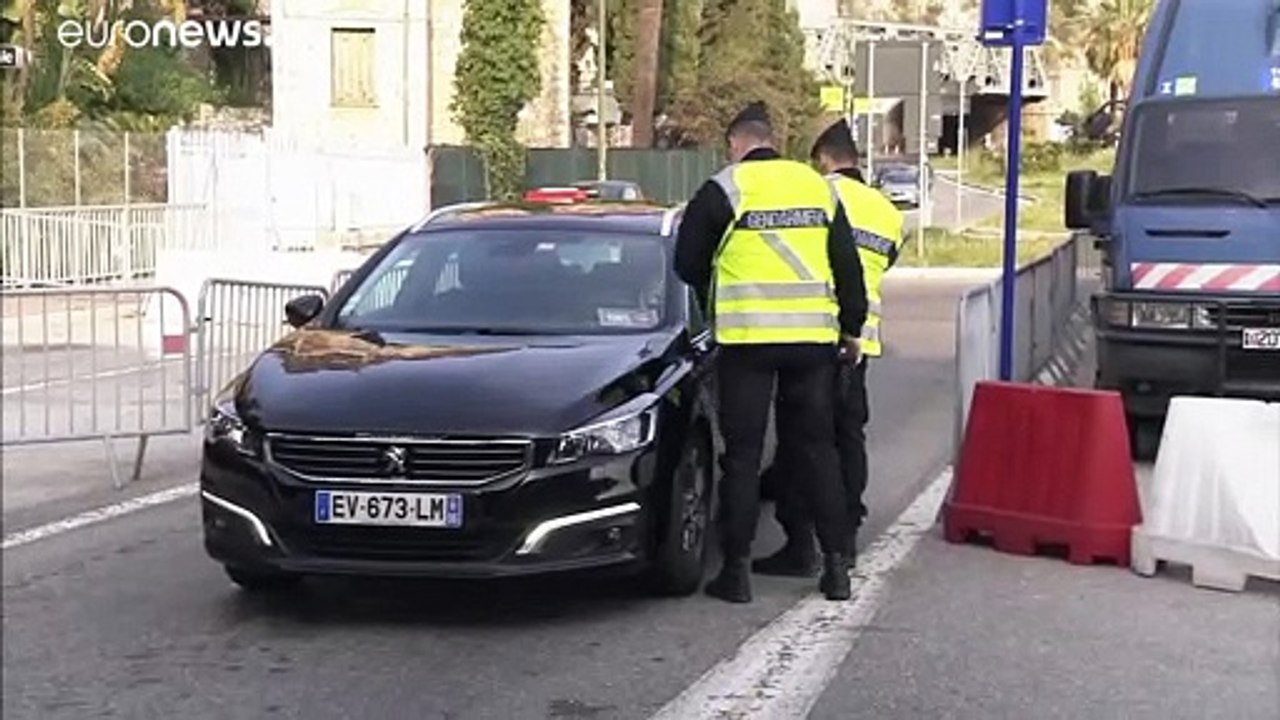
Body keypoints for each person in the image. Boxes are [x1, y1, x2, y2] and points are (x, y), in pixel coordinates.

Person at [674, 102, 868, 604]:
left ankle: (736, 574)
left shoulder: (726, 187)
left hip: (747, 342)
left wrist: (715, 290)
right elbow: (847, 265)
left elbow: (686, 261)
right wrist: (851, 329)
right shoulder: (816, 186)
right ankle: (837, 568)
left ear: (738, 143)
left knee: (741, 456)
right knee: (817, 450)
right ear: (772, 139)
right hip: (812, 344)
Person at [754, 119, 906, 577]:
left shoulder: (818, 195)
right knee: (848, 437)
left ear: (823, 158)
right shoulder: (887, 211)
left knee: (804, 441)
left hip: (817, 331)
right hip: (862, 341)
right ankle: (846, 533)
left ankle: (801, 542)